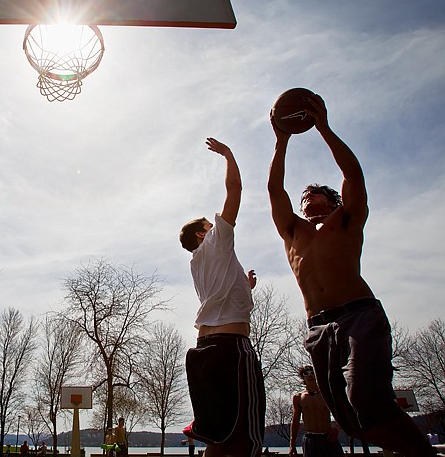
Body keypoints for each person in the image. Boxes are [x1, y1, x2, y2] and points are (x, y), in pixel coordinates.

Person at [267, 93, 436, 457]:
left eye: (312, 194)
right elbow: (274, 189)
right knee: (348, 419)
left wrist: (324, 128)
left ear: (332, 201)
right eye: (303, 196)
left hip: (359, 315)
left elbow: (352, 173)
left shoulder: (346, 222)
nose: (305, 198)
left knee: (366, 396)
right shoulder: (293, 232)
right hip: (317, 328)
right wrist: (281, 142)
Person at [179, 138, 265, 457]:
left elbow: (221, 296)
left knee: (219, 437)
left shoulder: (196, 264)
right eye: (208, 226)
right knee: (245, 440)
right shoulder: (216, 243)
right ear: (203, 234)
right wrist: (229, 155)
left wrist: (246, 289)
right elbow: (235, 191)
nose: (214, 226)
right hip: (231, 350)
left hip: (204, 350)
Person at [289, 365, 343, 457]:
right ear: (303, 377)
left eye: (312, 373)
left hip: (328, 437)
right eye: (306, 374)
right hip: (310, 439)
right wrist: (292, 444)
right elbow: (295, 421)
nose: (310, 375)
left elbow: (342, 412)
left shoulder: (327, 394)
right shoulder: (298, 397)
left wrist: (337, 428)